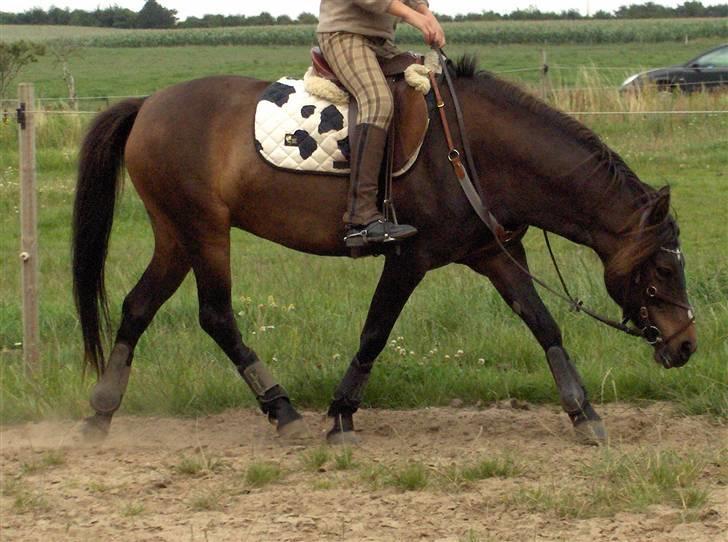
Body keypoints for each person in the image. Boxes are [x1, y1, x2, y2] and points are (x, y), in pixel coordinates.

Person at [317, 0, 446, 247]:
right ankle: (361, 217)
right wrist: (415, 17)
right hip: (344, 34)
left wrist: (425, 12)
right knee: (377, 101)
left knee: (427, 89)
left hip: (381, 43)